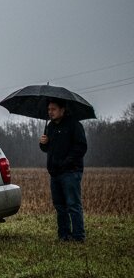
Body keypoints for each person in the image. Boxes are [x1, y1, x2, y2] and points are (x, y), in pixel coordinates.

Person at [39, 99, 87, 243]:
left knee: (73, 205)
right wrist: (43, 143)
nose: (50, 112)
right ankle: (64, 235)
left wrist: (65, 162)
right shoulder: (50, 127)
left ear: (62, 109)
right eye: (49, 109)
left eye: (53, 109)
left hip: (71, 172)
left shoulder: (74, 125)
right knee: (60, 206)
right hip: (55, 173)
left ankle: (78, 237)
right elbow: (47, 149)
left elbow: (81, 147)